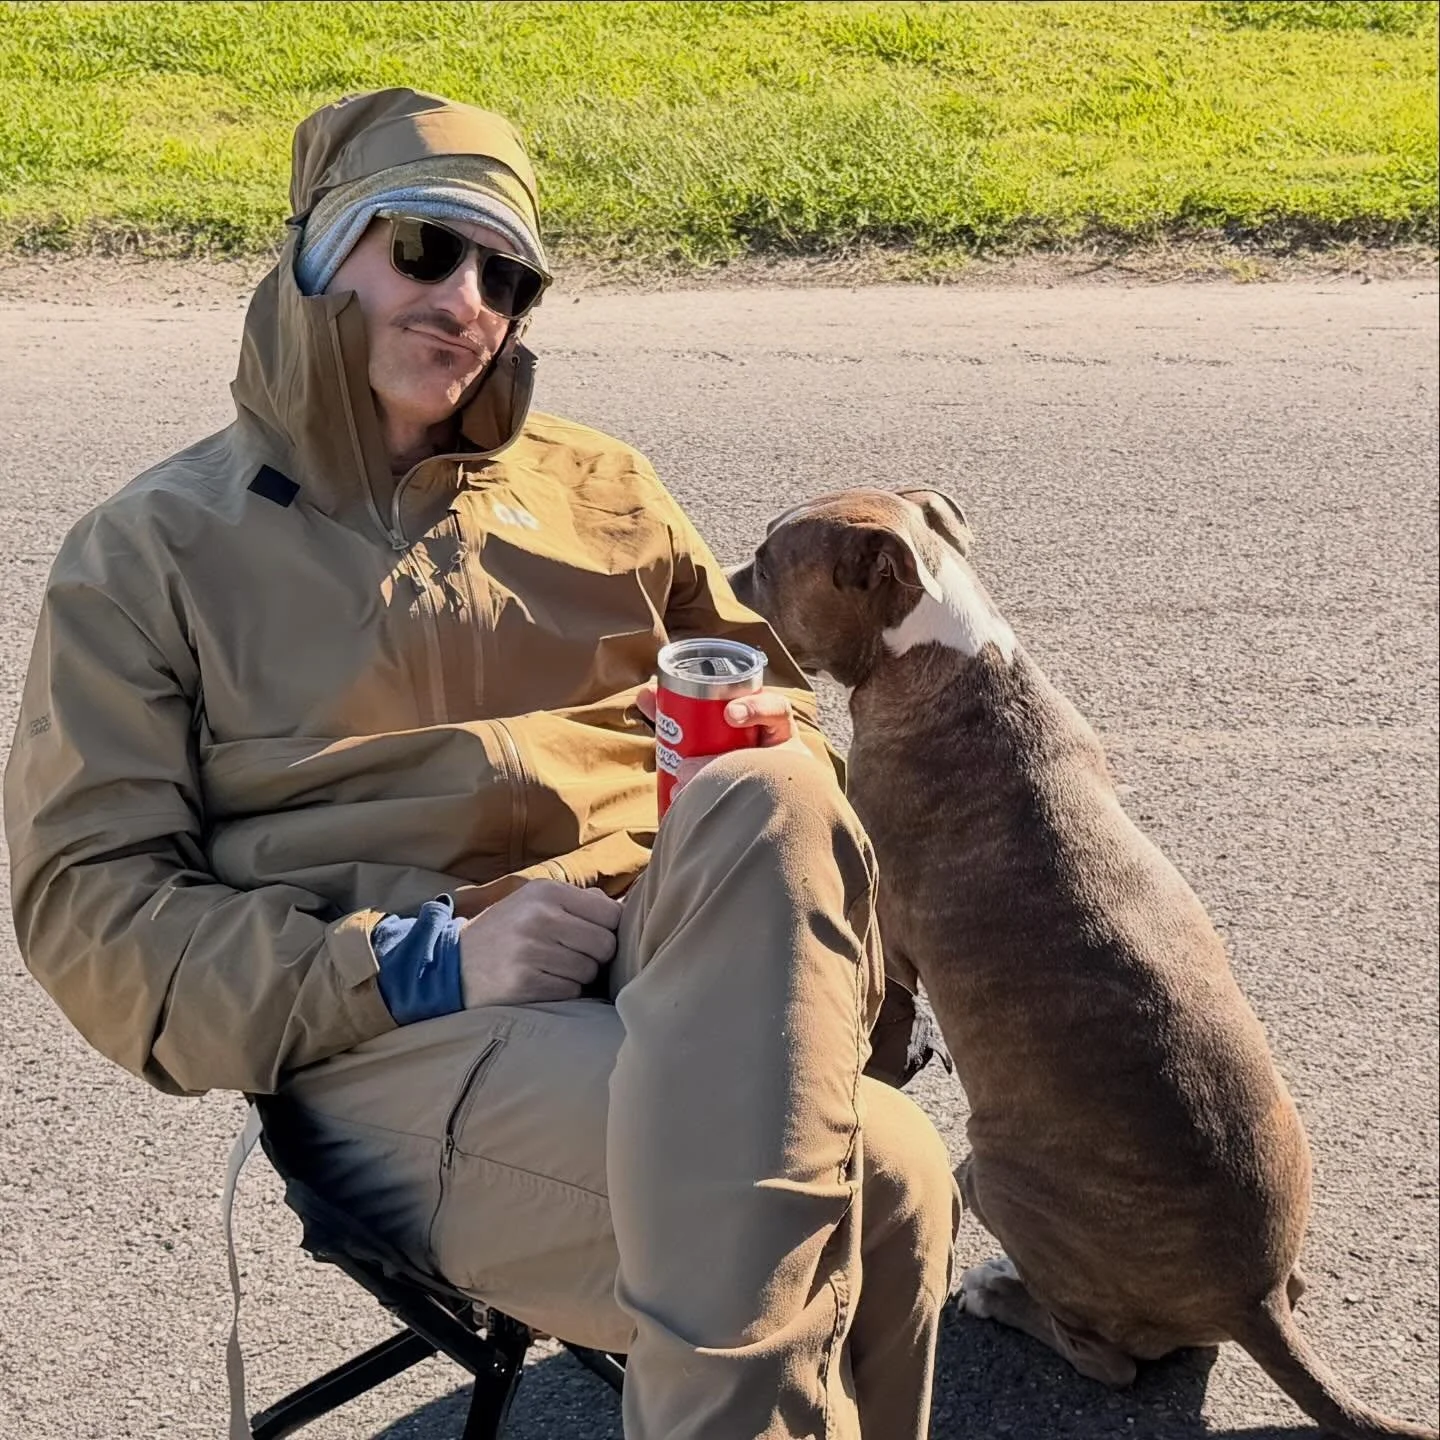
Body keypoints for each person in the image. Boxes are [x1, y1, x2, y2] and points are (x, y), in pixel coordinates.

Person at [3, 88, 958, 1439]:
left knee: (777, 787)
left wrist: (742, 786)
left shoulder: (603, 487)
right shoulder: (151, 554)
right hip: (400, 1019)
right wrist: (422, 958)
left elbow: (775, 704)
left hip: (667, 938)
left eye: (506, 275)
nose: (467, 298)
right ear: (324, 250)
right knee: (888, 1176)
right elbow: (94, 921)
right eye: (427, 248)